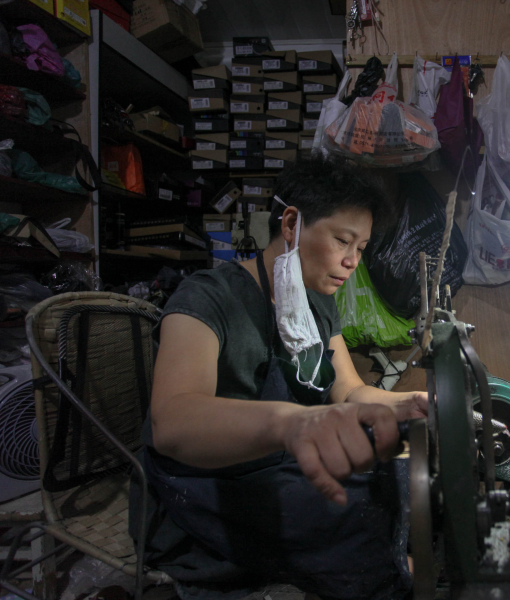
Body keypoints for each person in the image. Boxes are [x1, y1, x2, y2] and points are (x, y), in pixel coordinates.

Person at [130, 156, 427, 600]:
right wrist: (291, 423)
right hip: (201, 490)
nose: (351, 262)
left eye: (361, 248)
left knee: (403, 473)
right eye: (343, 240)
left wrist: (408, 403)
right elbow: (173, 422)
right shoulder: (209, 296)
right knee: (369, 509)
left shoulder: (318, 305)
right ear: (291, 223)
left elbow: (346, 389)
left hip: (275, 471)